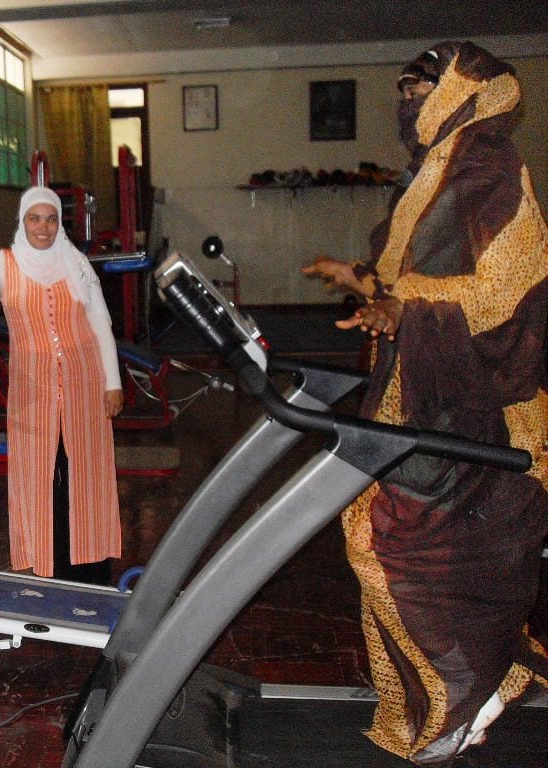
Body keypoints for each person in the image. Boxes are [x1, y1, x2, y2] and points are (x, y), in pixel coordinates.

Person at [303, 41, 548, 763]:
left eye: (420, 87)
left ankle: (467, 696)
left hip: (482, 406)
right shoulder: (431, 174)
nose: (406, 101)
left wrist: (403, 312)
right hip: (422, 397)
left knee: (392, 546)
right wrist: (359, 281)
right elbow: (405, 276)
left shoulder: (491, 168)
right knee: (383, 539)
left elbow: (512, 293)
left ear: (462, 93)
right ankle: (477, 685)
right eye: (403, 89)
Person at [0, 187, 123, 582]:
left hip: (85, 378)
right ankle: (44, 554)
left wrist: (113, 383)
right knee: (37, 467)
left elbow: (100, 324)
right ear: (22, 222)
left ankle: (88, 556)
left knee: (83, 466)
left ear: (59, 223)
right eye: (35, 219)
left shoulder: (77, 263)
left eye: (51, 219)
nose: (43, 227)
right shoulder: (4, 263)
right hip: (32, 386)